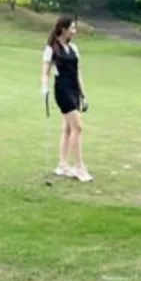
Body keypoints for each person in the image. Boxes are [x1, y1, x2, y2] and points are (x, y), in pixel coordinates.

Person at [41, 15, 93, 183]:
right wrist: (44, 87)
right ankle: (79, 167)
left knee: (68, 129)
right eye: (72, 28)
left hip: (74, 90)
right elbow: (45, 72)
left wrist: (83, 94)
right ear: (63, 29)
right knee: (78, 127)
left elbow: (78, 73)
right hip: (62, 91)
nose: (74, 31)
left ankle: (62, 165)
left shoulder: (73, 49)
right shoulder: (51, 49)